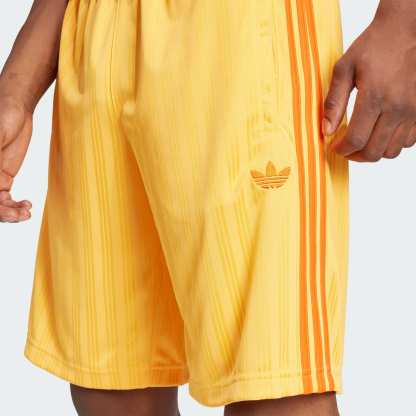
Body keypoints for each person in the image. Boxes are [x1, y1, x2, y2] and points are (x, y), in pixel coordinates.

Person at [0, 0, 415, 415]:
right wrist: (18, 85)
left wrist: (404, 26)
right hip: (97, 29)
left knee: (273, 383)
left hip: (244, 32)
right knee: (113, 385)